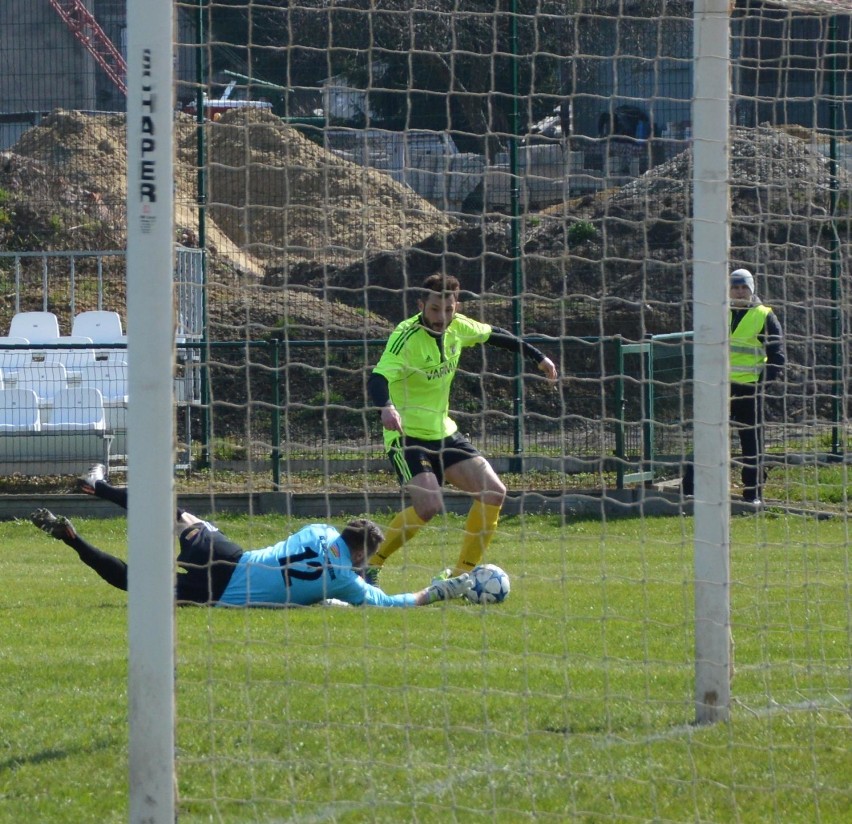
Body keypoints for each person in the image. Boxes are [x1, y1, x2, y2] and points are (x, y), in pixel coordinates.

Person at [30, 465, 472, 608]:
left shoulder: (319, 530)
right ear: (360, 558)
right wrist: (438, 592)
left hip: (231, 555)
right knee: (134, 583)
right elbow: (392, 604)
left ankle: (99, 486)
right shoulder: (346, 581)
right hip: (220, 595)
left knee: (174, 515)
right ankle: (72, 539)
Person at [365, 273, 559, 584]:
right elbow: (377, 377)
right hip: (407, 436)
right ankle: (371, 563)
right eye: (434, 310)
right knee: (428, 506)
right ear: (421, 305)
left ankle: (460, 576)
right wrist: (386, 406)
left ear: (457, 306)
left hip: (444, 431)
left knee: (494, 493)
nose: (442, 318)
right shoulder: (405, 336)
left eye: (448, 310)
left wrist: (539, 358)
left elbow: (496, 334)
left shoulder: (460, 327)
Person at [681, 268, 785, 505]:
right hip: (719, 388)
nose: (739, 292)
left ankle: (753, 494)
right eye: (735, 287)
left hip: (749, 389)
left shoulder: (764, 315)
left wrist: (762, 385)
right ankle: (691, 488)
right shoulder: (717, 313)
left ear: (751, 290)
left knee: (751, 442)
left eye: (743, 288)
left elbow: (777, 357)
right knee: (708, 437)